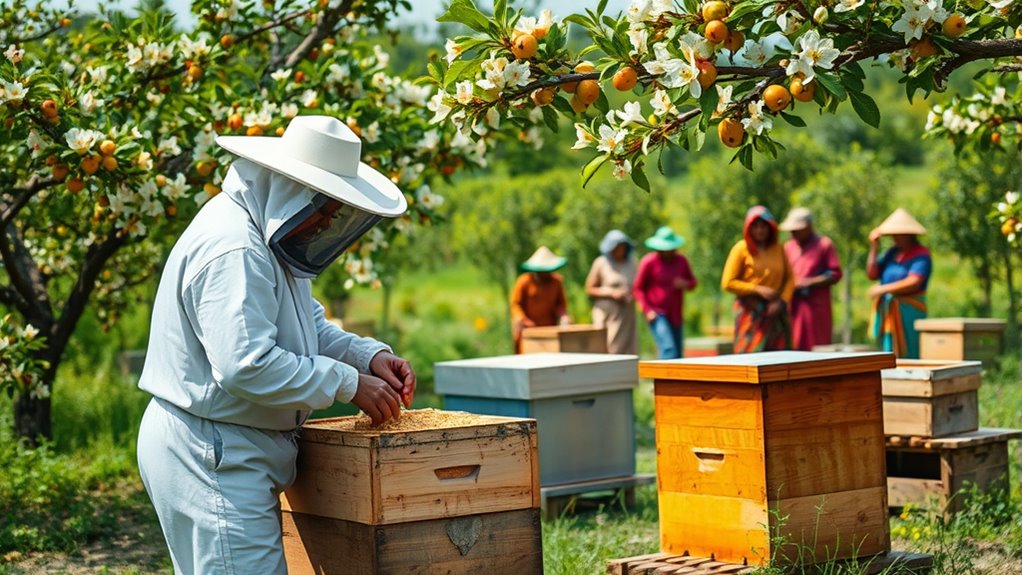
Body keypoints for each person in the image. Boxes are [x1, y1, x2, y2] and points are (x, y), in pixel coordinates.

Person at [135, 116, 417, 574]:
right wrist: (349, 383)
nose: (328, 220)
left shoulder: (266, 236)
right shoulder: (235, 249)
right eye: (324, 206)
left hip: (231, 444)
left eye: (337, 210)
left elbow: (306, 328)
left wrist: (369, 356)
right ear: (291, 189)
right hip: (213, 451)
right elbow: (246, 365)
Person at [721, 206, 795, 353]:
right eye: (755, 226)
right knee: (750, 355)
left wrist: (782, 301)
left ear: (770, 228)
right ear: (749, 228)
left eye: (763, 226)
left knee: (779, 356)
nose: (760, 230)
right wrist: (757, 289)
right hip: (750, 310)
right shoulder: (741, 248)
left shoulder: (779, 249)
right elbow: (728, 282)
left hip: (775, 309)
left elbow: (790, 278)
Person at [867, 208, 932, 359]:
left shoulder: (921, 255)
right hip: (889, 310)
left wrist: (883, 289)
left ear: (909, 234)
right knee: (889, 351)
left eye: (898, 233)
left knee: (909, 351)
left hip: (909, 311)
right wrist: (874, 247)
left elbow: (914, 281)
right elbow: (872, 274)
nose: (894, 237)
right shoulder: (891, 253)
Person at [779, 208, 843, 351]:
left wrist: (807, 282)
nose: (793, 233)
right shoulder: (788, 247)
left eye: (797, 230)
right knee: (794, 347)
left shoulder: (824, 245)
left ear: (809, 227)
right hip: (793, 305)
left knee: (817, 348)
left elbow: (835, 274)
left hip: (816, 307)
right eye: (792, 230)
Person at [633, 226, 697, 359]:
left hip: (676, 314)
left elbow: (693, 283)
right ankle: (663, 379)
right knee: (669, 348)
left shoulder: (681, 261)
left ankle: (678, 380)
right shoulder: (648, 262)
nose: (667, 252)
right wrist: (647, 310)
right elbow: (638, 289)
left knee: (678, 353)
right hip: (657, 313)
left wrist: (684, 284)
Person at [585, 230, 638, 354]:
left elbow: (638, 285)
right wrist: (611, 293)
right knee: (607, 346)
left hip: (626, 312)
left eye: (622, 247)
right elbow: (590, 289)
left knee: (625, 348)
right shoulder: (601, 263)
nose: (620, 250)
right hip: (607, 311)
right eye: (617, 247)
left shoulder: (632, 263)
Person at [510, 246, 571, 353]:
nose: (544, 274)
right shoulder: (523, 282)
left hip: (549, 329)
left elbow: (560, 304)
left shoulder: (556, 281)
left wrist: (564, 316)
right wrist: (521, 318)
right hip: (528, 329)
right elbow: (515, 304)